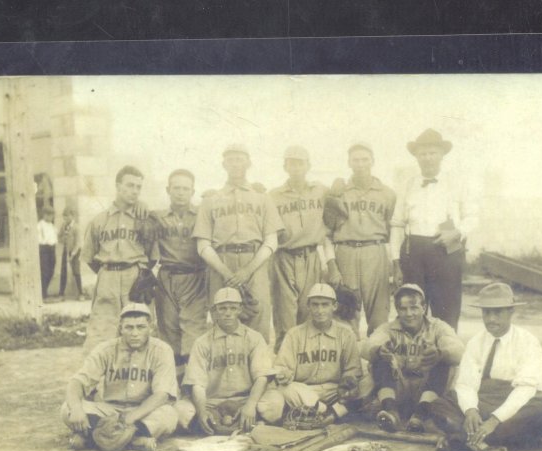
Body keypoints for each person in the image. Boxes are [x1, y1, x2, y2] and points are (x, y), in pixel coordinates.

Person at [428, 283, 542, 451]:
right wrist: (471, 411)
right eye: (486, 313)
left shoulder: (528, 341)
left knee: (541, 413)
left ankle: (461, 439)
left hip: (519, 405)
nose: (491, 319)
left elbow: (525, 389)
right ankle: (491, 441)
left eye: (498, 312)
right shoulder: (475, 342)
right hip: (483, 402)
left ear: (511, 311)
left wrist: (495, 420)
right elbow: (466, 384)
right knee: (439, 405)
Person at [193, 144, 284, 343]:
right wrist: (225, 272)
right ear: (224, 164)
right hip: (220, 264)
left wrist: (248, 270)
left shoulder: (262, 197)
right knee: (223, 321)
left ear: (248, 163)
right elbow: (203, 244)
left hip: (254, 263)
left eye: (240, 159)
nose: (235, 164)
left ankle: (259, 372)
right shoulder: (211, 199)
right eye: (231, 159)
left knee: (258, 319)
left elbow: (271, 240)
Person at [60, 303, 179, 451]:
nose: (134, 333)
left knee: (169, 415)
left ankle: (92, 439)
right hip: (110, 410)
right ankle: (135, 442)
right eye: (129, 327)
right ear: (120, 328)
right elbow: (77, 382)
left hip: (143, 410)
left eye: (141, 327)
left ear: (151, 328)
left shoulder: (162, 350)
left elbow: (161, 395)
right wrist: (77, 409)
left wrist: (130, 418)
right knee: (67, 409)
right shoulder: (105, 349)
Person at [390, 128, 478, 331]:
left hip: (447, 250)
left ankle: (445, 360)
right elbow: (396, 224)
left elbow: (472, 216)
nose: (428, 158)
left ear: (441, 155)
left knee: (447, 311)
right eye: (423, 153)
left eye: (432, 153)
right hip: (413, 252)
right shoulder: (407, 185)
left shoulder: (457, 182)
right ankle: (414, 358)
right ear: (416, 157)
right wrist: (395, 262)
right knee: (411, 310)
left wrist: (456, 233)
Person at [175, 287, 285, 434]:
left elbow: (262, 377)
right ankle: (236, 423)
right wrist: (202, 412)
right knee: (182, 411)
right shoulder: (202, 342)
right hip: (212, 402)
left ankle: (229, 423)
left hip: (245, 399)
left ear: (240, 309)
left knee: (274, 404)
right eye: (222, 308)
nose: (228, 313)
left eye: (233, 308)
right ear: (214, 311)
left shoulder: (254, 337)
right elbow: (197, 385)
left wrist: (250, 406)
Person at [361, 283, 464, 433]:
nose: (409, 314)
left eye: (414, 307)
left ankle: (420, 415)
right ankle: (391, 412)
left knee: (444, 361)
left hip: (427, 390)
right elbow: (366, 346)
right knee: (380, 359)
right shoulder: (388, 328)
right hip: (398, 391)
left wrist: (441, 353)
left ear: (424, 307)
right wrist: (379, 350)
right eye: (403, 309)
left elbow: (460, 351)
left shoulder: (438, 327)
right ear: (397, 310)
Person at [274, 283, 373, 425]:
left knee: (369, 381)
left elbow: (353, 370)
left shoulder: (346, 333)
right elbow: (282, 368)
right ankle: (332, 412)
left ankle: (319, 412)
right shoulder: (294, 334)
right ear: (308, 306)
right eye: (315, 305)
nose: (319, 310)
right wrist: (284, 374)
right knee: (286, 389)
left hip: (336, 391)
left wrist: (347, 385)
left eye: (325, 305)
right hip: (306, 391)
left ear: (334, 306)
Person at [268, 146, 336, 352]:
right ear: (285, 166)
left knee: (310, 312)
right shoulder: (273, 195)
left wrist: (331, 264)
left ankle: (308, 364)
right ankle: (284, 366)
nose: (296, 167)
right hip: (283, 257)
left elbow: (328, 230)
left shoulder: (321, 191)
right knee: (285, 316)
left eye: (300, 162)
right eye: (291, 162)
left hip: (311, 256)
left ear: (308, 165)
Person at [81, 165, 154, 354]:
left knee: (138, 332)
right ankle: (96, 381)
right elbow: (89, 257)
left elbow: (153, 255)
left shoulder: (145, 219)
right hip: (107, 278)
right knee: (100, 334)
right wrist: (108, 273)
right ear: (117, 185)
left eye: (139, 187)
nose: (135, 191)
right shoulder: (99, 220)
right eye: (130, 185)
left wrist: (138, 272)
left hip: (135, 279)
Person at [327, 142, 396, 337]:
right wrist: (332, 266)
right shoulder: (339, 192)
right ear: (349, 163)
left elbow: (394, 230)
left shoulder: (388, 193)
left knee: (379, 313)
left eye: (365, 159)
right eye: (355, 160)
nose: (360, 164)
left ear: (373, 161)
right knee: (346, 311)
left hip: (375, 251)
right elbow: (327, 233)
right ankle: (347, 362)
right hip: (345, 250)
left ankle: (379, 363)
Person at [148, 169, 208, 381]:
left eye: (185, 189)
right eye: (176, 188)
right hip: (168, 278)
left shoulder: (202, 214)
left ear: (192, 191)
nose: (181, 193)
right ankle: (174, 385)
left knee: (193, 333)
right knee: (170, 332)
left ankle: (194, 385)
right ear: (168, 190)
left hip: (195, 277)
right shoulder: (157, 217)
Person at [58, 206, 86, 301]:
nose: (65, 219)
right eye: (64, 217)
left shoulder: (76, 227)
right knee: (63, 272)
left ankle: (81, 293)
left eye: (67, 216)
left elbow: (78, 243)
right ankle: (61, 294)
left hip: (75, 252)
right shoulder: (63, 226)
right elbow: (59, 237)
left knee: (76, 272)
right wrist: (63, 238)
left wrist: (72, 255)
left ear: (72, 216)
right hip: (65, 251)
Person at [37, 206, 58, 300]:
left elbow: (55, 237)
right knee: (44, 271)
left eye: (52, 215)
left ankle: (44, 291)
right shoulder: (39, 225)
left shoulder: (52, 225)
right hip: (43, 249)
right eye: (50, 215)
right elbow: (39, 239)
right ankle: (43, 293)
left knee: (51, 271)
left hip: (52, 249)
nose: (51, 217)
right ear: (45, 215)